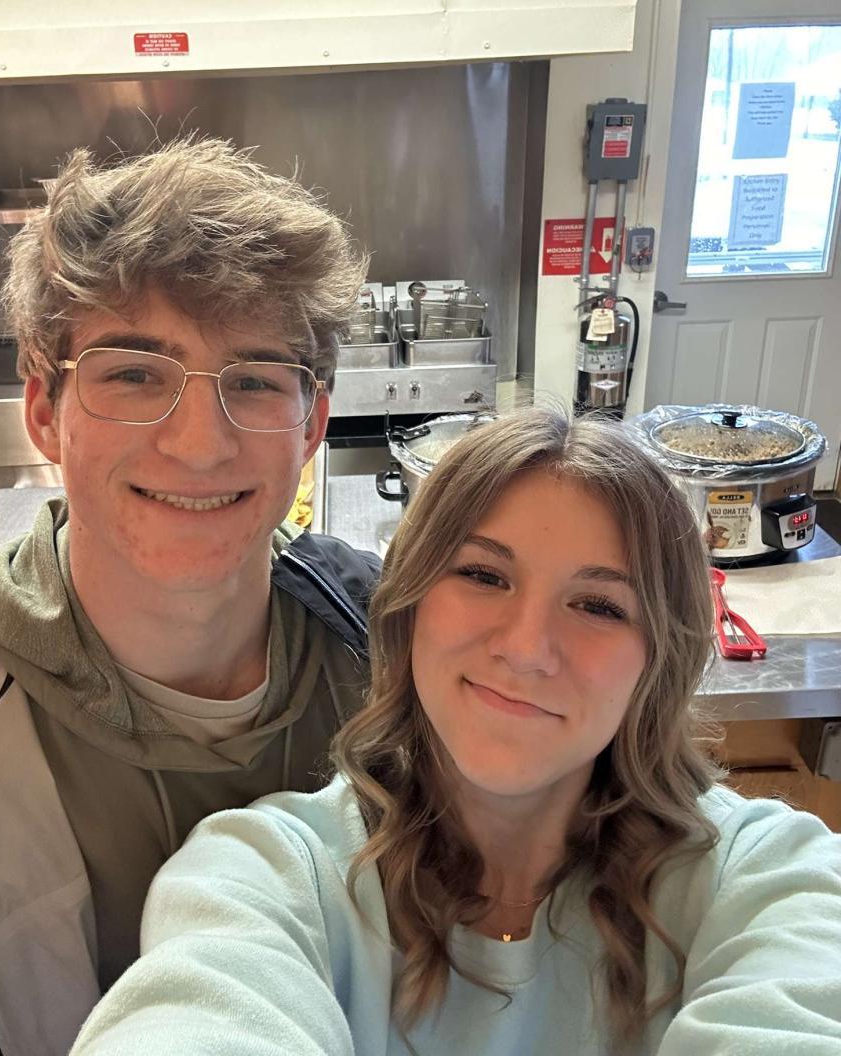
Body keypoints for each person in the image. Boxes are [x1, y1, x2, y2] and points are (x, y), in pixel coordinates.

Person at [71, 407, 841, 1056]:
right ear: (408, 609)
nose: (526, 649)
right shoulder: (265, 876)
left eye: (599, 606)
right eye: (482, 575)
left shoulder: (767, 878)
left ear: (659, 660)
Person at [0, 139, 377, 1056]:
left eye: (254, 380)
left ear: (311, 423)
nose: (199, 445)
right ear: (44, 410)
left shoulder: (399, 657)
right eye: (135, 374)